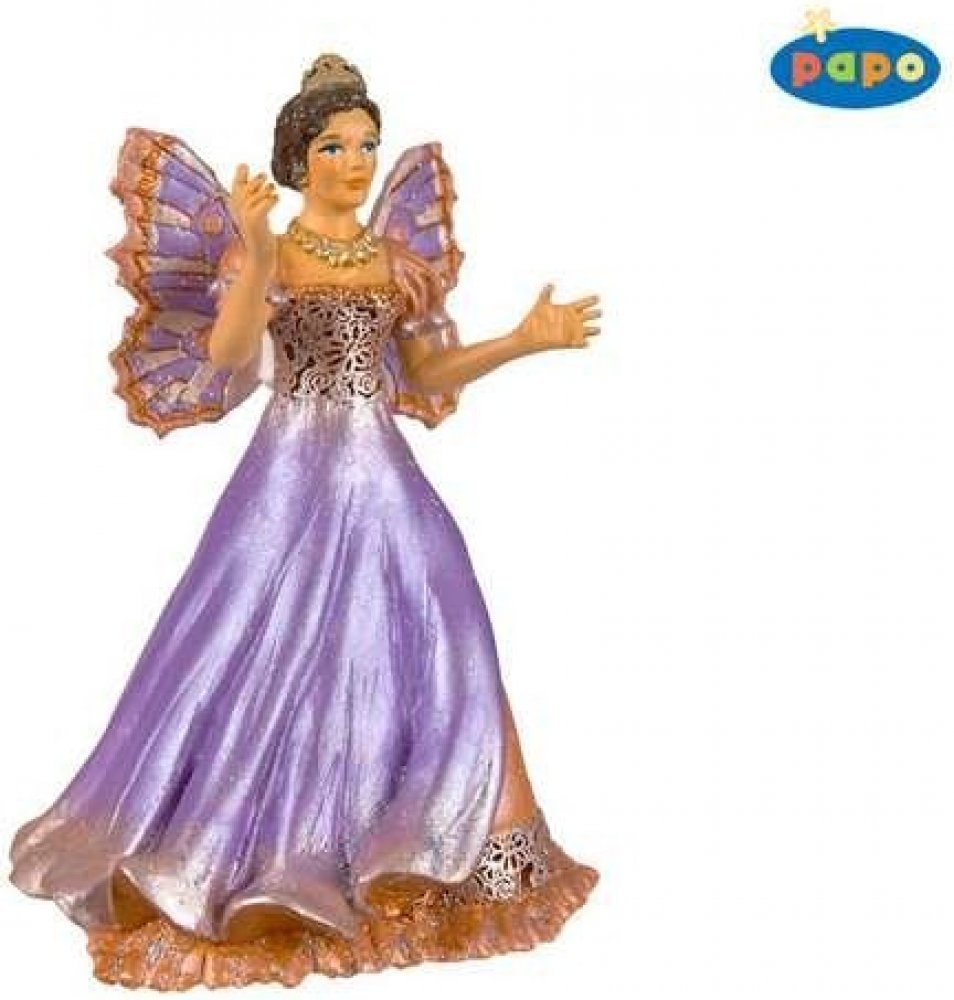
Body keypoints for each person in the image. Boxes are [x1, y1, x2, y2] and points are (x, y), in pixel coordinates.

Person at [8, 53, 602, 989]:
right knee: (253, 645)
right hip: (288, 483)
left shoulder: (398, 263)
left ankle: (426, 845)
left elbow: (426, 374)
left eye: (366, 144)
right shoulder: (271, 253)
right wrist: (250, 246)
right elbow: (230, 353)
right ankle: (245, 851)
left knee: (443, 627)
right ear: (298, 160)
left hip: (387, 480)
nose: (355, 162)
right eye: (333, 146)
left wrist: (523, 341)